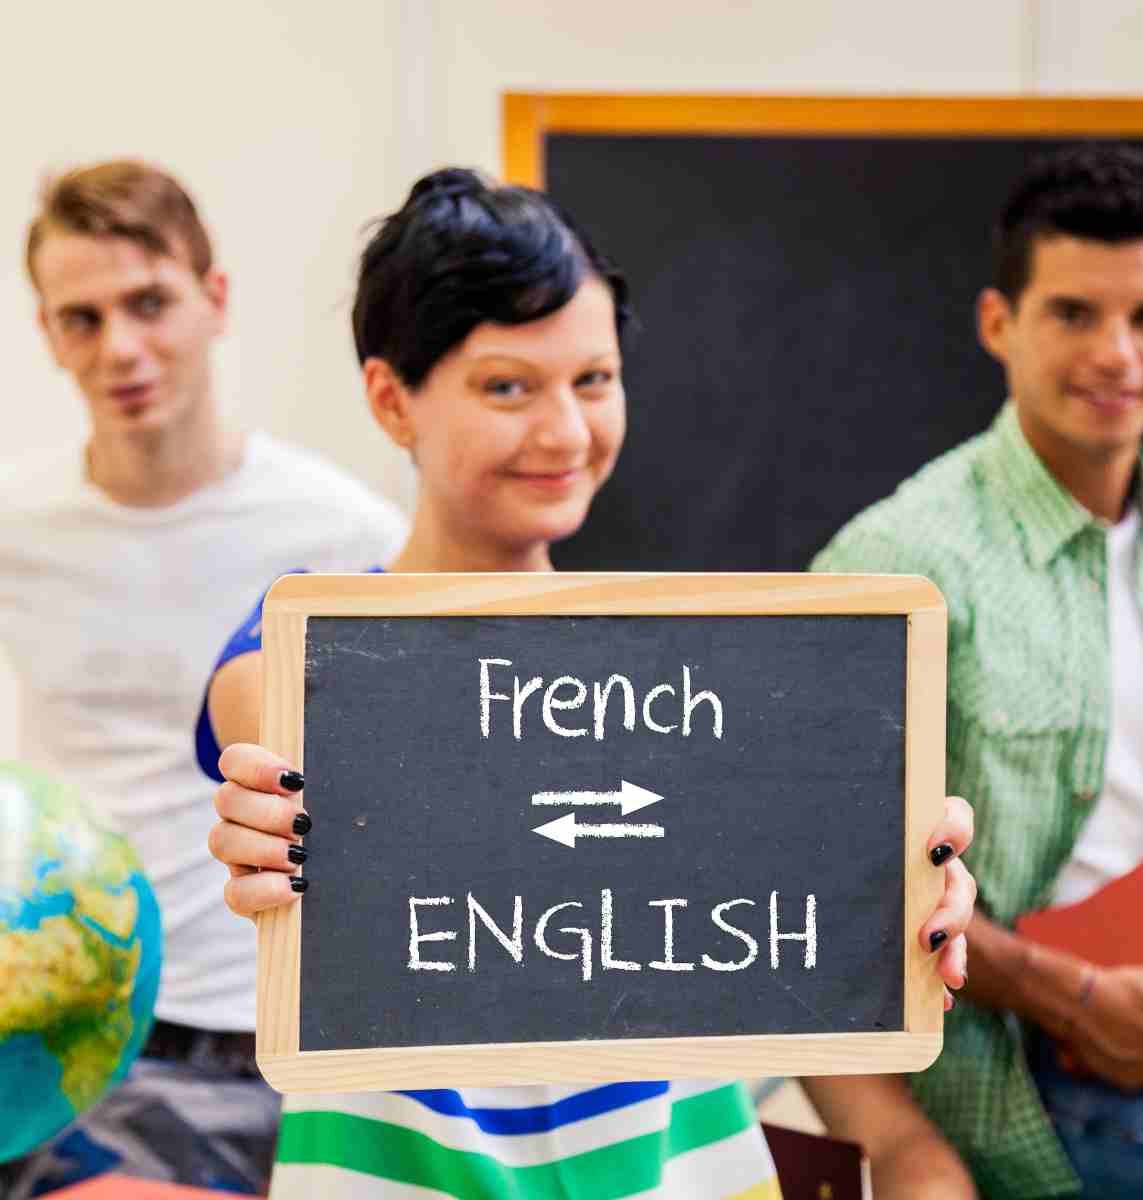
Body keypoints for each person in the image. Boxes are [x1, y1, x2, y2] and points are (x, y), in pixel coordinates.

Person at [203, 166, 978, 1199]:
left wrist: (889, 901)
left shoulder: (697, 673)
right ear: (393, 399)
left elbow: (779, 933)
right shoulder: (308, 650)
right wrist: (277, 822)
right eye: (508, 386)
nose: (566, 432)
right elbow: (270, 730)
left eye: (595, 380)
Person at [0, 160, 408, 1196]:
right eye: (81, 318)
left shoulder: (344, 529)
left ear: (214, 298)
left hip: (302, 1033)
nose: (121, 348)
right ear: (48, 335)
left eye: (150, 303)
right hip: (87, 1038)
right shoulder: (15, 529)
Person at [812, 143, 1143, 1200]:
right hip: (1025, 1065)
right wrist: (1072, 995)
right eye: (1074, 313)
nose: (1118, 354)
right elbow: (816, 876)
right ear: (1000, 324)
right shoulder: (899, 561)